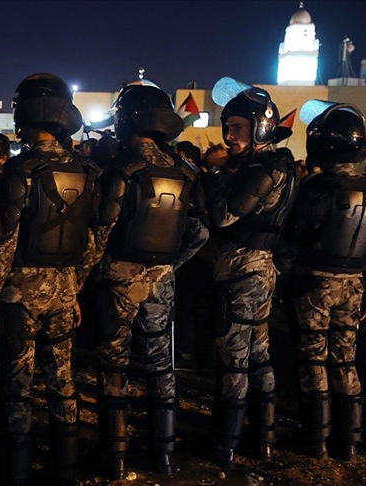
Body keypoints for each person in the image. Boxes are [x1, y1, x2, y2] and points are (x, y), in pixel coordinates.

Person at [0, 73, 108, 485]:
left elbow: (5, 242)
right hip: (65, 289)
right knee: (62, 377)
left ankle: (17, 469)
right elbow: (93, 240)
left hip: (20, 293)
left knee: (18, 382)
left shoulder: (21, 169)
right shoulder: (87, 170)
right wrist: (75, 287)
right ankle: (65, 467)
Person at [92, 85, 209, 478]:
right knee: (161, 364)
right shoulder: (185, 170)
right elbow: (200, 232)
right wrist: (172, 263)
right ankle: (164, 454)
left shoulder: (124, 168)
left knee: (115, 364)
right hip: (162, 279)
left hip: (120, 276)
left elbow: (103, 229)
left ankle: (114, 456)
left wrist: (90, 271)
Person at [283, 103, 366, 461]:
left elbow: (293, 239)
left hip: (313, 284)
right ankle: (349, 441)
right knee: (345, 359)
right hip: (354, 285)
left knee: (313, 358)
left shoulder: (315, 188)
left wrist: (287, 278)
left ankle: (316, 438)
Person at [206, 85, 297, 468]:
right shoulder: (276, 164)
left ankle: (226, 445)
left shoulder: (263, 169)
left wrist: (213, 172)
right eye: (228, 126)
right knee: (259, 355)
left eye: (238, 127)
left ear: (261, 127)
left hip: (243, 269)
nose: (230, 135)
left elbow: (224, 215)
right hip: (261, 269)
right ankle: (263, 439)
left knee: (235, 357)